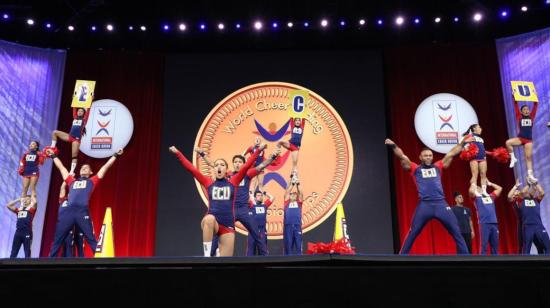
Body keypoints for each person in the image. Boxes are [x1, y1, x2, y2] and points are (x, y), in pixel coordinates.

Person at [170, 145, 261, 257]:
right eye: (216, 165)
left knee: (225, 261)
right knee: (209, 219)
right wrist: (178, 153)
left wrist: (259, 151)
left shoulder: (233, 182)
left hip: (228, 226)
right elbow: (192, 169)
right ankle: (207, 256)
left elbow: (246, 166)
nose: (219, 167)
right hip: (213, 223)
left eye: (222, 165)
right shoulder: (208, 182)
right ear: (214, 168)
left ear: (226, 170)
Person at [385, 138, 469, 254]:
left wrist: (464, 142)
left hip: (441, 204)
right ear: (420, 157)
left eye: (430, 155)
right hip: (425, 205)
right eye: (425, 156)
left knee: (456, 230)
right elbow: (402, 157)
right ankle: (401, 257)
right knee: (413, 232)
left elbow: (452, 153)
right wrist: (393, 146)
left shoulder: (438, 166)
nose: (428, 157)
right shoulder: (415, 168)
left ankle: (466, 257)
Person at [196, 146, 280, 256]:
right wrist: (202, 154)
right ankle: (209, 257)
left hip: (244, 209)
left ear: (244, 164)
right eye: (235, 162)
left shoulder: (247, 174)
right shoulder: (228, 174)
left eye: (240, 162)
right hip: (231, 210)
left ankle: (265, 257)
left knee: (256, 233)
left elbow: (262, 165)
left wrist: (273, 156)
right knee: (217, 234)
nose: (237, 164)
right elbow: (213, 164)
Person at [47, 148, 123, 257]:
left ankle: (101, 262)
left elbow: (105, 167)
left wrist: (115, 154)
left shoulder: (92, 181)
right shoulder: (71, 181)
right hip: (68, 213)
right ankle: (49, 263)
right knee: (57, 239)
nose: (83, 168)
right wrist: (54, 156)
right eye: (82, 168)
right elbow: (61, 168)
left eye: (86, 168)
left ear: (91, 172)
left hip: (82, 212)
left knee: (91, 238)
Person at [508, 180, 550, 254]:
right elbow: (512, 195)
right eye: (516, 192)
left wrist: (535, 182)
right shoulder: (519, 200)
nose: (518, 192)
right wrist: (527, 184)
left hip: (538, 226)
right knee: (525, 248)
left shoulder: (535, 199)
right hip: (526, 226)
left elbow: (541, 192)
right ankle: (524, 263)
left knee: (544, 246)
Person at [505, 100, 538, 183]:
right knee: (508, 142)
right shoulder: (519, 117)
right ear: (521, 111)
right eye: (524, 109)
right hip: (520, 138)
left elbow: (535, 106)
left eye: (528, 109)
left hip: (528, 140)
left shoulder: (532, 117)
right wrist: (514, 97)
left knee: (528, 158)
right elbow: (515, 105)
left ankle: (530, 175)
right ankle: (513, 158)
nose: (527, 111)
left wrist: (535, 98)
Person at [51, 107, 89, 175]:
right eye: (79, 111)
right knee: (54, 132)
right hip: (69, 136)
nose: (79, 112)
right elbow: (74, 108)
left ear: (84, 114)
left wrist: (90, 102)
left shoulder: (84, 120)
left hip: (76, 139)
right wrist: (74, 99)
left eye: (81, 111)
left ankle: (71, 171)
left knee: (74, 156)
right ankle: (52, 148)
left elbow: (88, 111)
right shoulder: (75, 117)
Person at [469, 181, 502, 255]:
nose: (478, 187)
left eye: (479, 187)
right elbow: (471, 191)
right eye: (477, 188)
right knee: (484, 246)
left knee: (495, 246)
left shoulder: (490, 196)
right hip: (484, 224)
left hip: (494, 223)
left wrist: (490, 183)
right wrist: (473, 185)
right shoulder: (476, 199)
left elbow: (500, 188)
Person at [57, 181, 84, 257]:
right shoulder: (63, 200)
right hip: (60, 227)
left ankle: (68, 264)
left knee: (68, 246)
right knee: (57, 247)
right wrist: (67, 178)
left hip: (69, 227)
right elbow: (62, 188)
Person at [462, 124, 490, 196]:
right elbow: (462, 144)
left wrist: (492, 153)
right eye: (479, 127)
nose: (481, 129)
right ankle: (475, 190)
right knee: (475, 174)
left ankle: (484, 191)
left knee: (483, 174)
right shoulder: (470, 136)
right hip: (474, 158)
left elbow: (482, 149)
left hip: (482, 157)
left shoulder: (481, 139)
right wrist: (467, 150)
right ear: (474, 128)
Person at [247, 190, 274, 256]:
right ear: (255, 197)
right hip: (253, 231)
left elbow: (272, 198)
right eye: (258, 196)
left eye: (261, 196)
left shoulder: (264, 205)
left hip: (262, 231)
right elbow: (246, 198)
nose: (260, 197)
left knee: (263, 251)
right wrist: (250, 194)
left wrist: (265, 192)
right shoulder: (251, 205)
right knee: (251, 251)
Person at [283, 176, 304, 255]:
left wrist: (298, 183)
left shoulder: (299, 203)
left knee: (299, 246)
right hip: (288, 226)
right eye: (291, 194)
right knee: (289, 247)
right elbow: (287, 192)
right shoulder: (286, 203)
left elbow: (301, 193)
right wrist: (292, 184)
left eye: (295, 194)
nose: (293, 195)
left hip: (297, 226)